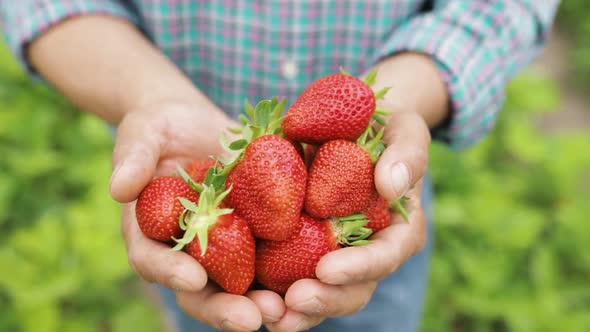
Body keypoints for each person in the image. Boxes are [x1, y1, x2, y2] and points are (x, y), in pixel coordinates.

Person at [0, 1, 559, 331]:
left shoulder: (346, 175)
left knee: (375, 309)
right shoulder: (222, 211)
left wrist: (413, 87)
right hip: (198, 198)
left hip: (374, 198)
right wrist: (144, 92)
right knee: (206, 313)